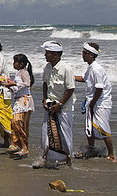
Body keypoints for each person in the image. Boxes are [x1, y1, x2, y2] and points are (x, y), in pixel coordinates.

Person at [34, 41, 75, 169]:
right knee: (46, 134)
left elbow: (70, 89)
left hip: (64, 108)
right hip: (50, 105)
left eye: (48, 53)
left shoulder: (66, 68)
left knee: (64, 135)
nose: (46, 55)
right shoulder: (47, 67)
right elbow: (45, 83)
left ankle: (68, 160)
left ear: (56, 55)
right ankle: (44, 158)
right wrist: (44, 99)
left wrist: (60, 104)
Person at [74, 42, 115, 162]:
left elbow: (99, 87)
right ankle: (91, 150)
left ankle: (111, 154)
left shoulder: (96, 69)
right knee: (89, 128)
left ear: (91, 55)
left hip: (101, 104)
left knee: (103, 129)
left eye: (85, 53)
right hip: (92, 102)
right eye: (82, 52)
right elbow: (84, 78)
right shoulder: (90, 67)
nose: (82, 55)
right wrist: (69, 76)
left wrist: (92, 102)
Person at [1, 53, 35, 159]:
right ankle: (22, 145)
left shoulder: (23, 72)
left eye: (15, 62)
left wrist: (14, 84)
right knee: (18, 123)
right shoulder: (18, 73)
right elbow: (17, 89)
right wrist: (9, 85)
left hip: (24, 100)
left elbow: (27, 83)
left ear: (21, 64)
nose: (13, 64)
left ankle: (23, 146)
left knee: (17, 122)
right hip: (19, 99)